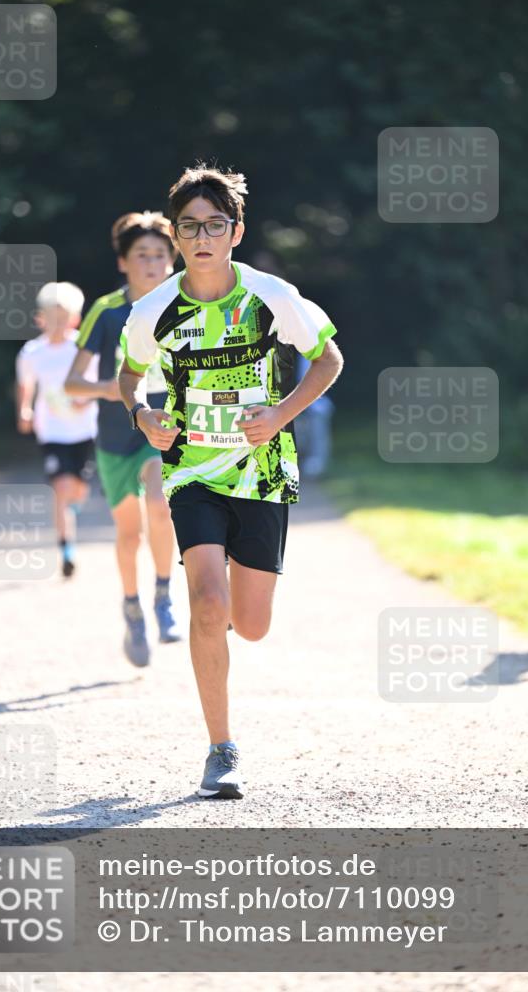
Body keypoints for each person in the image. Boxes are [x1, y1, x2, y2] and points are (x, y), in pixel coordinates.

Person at [118, 164, 343, 798]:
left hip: (263, 474)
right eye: (189, 226)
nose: (202, 237)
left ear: (235, 232)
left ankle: (226, 636)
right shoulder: (152, 310)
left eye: (214, 225)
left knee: (251, 623)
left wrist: (279, 415)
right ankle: (221, 748)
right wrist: (142, 414)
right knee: (207, 604)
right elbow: (130, 376)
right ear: (176, 234)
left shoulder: (272, 296)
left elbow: (328, 358)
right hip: (192, 471)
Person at [64, 211, 182, 667]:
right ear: (123, 263)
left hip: (163, 427)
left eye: (160, 256)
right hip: (115, 434)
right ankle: (132, 606)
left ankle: (164, 596)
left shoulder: (183, 306)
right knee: (129, 533)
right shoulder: (107, 311)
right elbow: (72, 384)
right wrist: (109, 389)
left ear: (172, 261)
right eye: (142, 256)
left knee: (160, 501)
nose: (152, 264)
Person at [15, 281, 97, 578]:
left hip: (83, 430)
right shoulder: (32, 352)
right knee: (60, 488)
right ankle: (66, 549)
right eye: (52, 317)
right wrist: (24, 408)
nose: (58, 324)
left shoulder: (83, 347)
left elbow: (98, 383)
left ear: (75, 319)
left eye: (64, 317)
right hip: (51, 431)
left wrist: (85, 400)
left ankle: (71, 510)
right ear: (40, 318)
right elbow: (26, 384)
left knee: (78, 489)